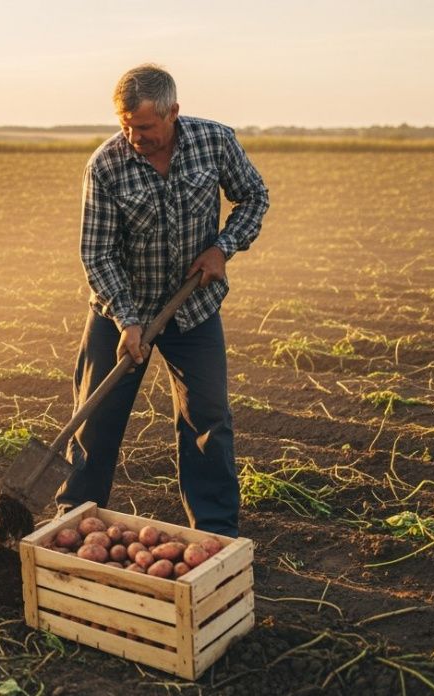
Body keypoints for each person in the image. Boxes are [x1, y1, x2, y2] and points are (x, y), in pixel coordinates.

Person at [55, 64, 270, 537]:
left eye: (145, 127)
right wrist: (128, 320)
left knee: (207, 421)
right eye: (125, 125)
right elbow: (98, 253)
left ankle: (215, 534)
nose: (134, 136)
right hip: (119, 312)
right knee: (95, 420)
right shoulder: (105, 165)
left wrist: (223, 247)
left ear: (174, 112)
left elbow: (254, 196)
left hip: (192, 311)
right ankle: (72, 522)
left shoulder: (214, 142)